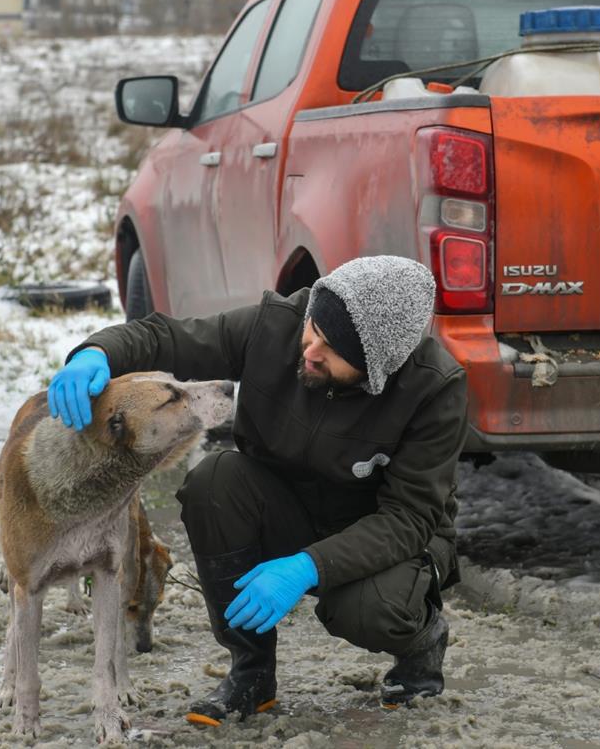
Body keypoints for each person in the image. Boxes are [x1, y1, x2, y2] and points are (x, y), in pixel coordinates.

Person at [47, 255, 468, 724]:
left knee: (367, 611)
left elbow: (408, 520)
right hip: (288, 505)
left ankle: (422, 646)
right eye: (315, 329)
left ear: (376, 368)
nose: (309, 350)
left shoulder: (434, 388)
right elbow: (167, 337)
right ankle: (251, 673)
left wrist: (308, 567)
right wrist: (96, 352)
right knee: (214, 484)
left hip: (383, 535)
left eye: (332, 350)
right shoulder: (278, 326)